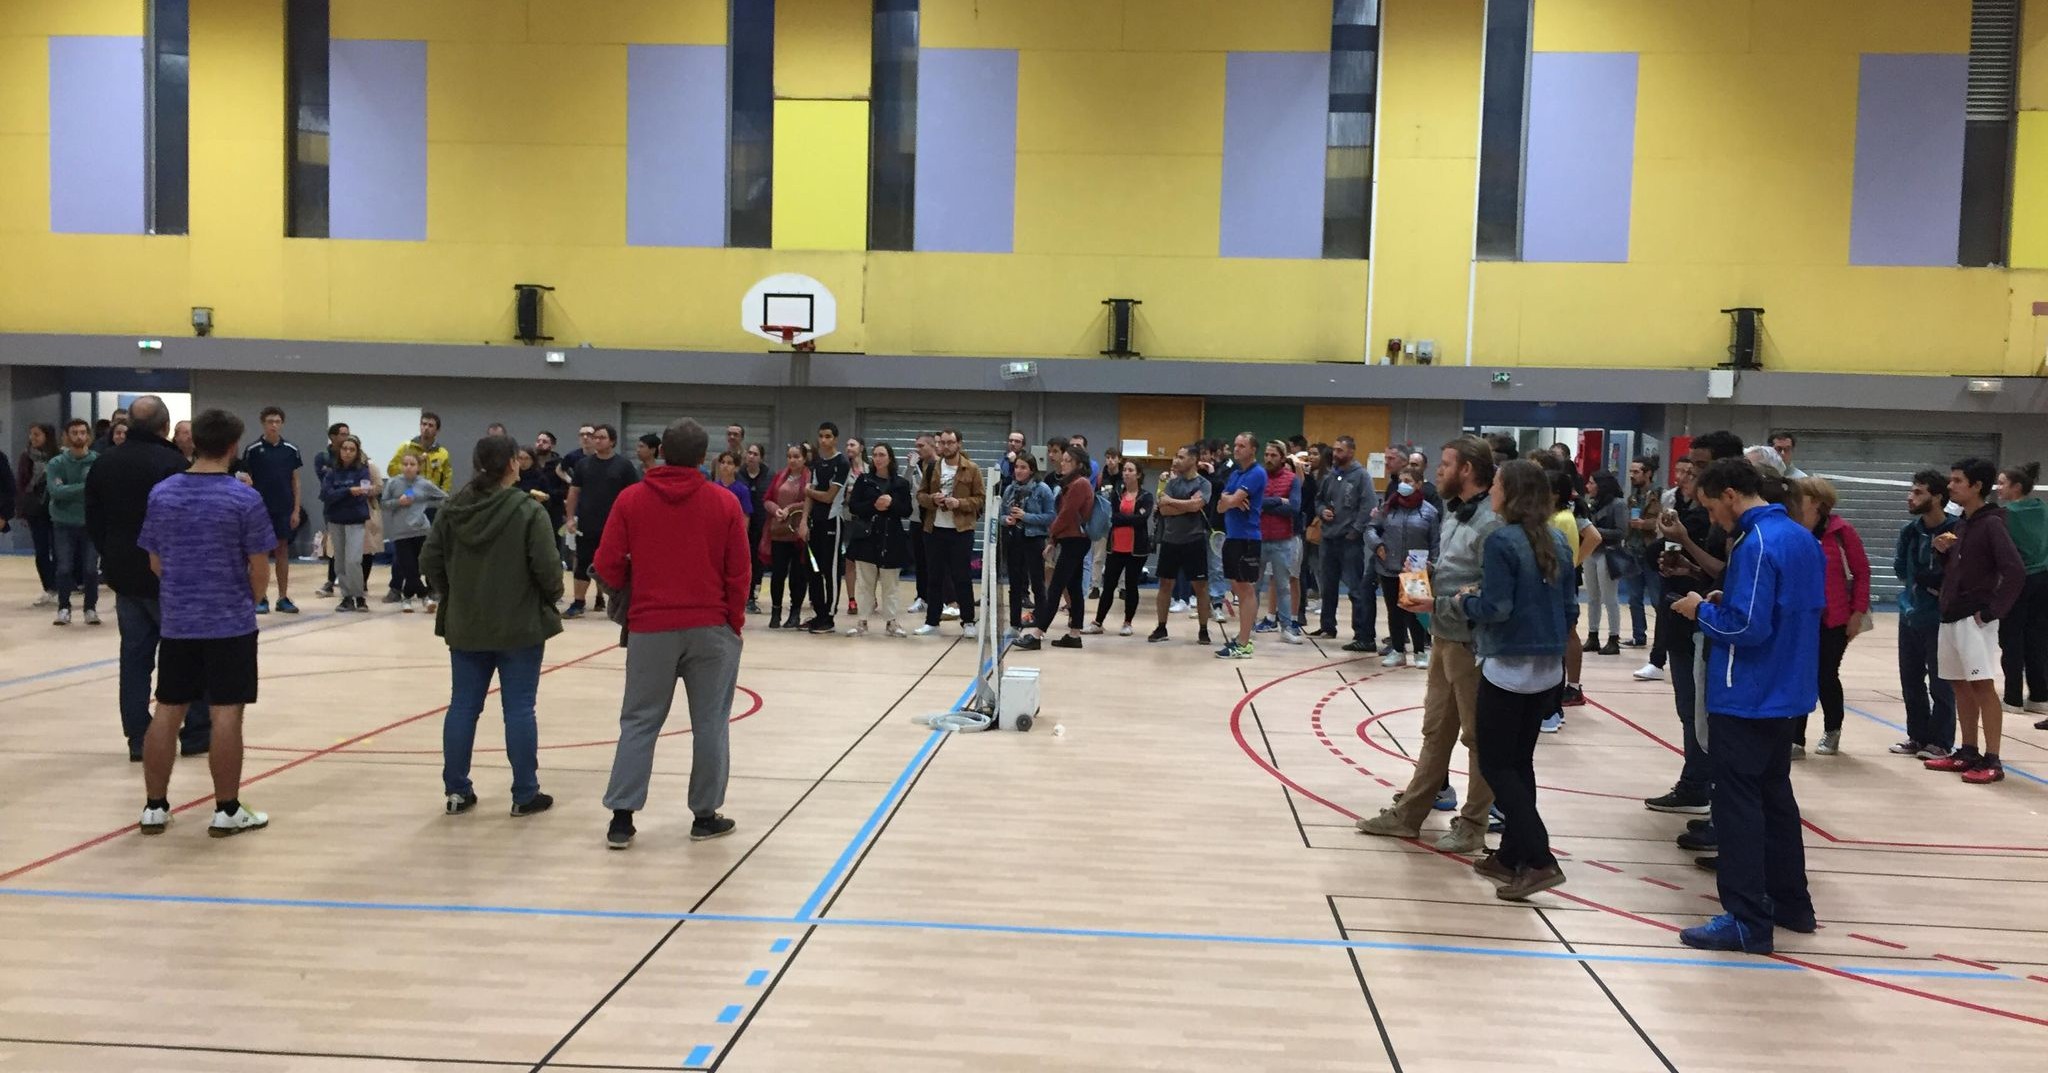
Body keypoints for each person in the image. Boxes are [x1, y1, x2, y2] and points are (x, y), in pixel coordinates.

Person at [1671, 457, 1823, 954]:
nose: (1712, 518)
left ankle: (1746, 920)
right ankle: (1791, 904)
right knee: (1776, 800)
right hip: (1786, 691)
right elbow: (1782, 610)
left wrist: (1701, 609)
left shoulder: (1755, 542)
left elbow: (1746, 627)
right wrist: (1728, 597)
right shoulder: (1800, 536)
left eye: (1712, 507)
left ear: (1731, 495)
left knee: (1737, 808)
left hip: (1748, 694)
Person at [598, 419, 749, 850]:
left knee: (639, 721)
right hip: (711, 628)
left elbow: (606, 564)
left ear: (661, 451)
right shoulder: (723, 503)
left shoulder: (631, 499)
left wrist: (632, 588)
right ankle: (705, 816)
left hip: (650, 628)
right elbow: (739, 572)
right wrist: (733, 623)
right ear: (704, 458)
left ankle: (622, 819)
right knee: (711, 724)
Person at [134, 408, 278, 839]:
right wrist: (245, 601)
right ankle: (226, 810)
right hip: (229, 624)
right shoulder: (244, 499)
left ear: (193, 442)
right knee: (226, 713)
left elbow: (155, 561)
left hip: (178, 622)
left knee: (167, 710)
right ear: (233, 446)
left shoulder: (162, 494)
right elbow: (260, 569)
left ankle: (154, 807)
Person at [1355, 436, 1501, 853]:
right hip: (1443, 636)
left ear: (1467, 469)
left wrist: (1439, 600)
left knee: (1477, 738)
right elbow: (1456, 569)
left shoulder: (1491, 523)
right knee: (1435, 730)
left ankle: (1473, 824)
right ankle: (1409, 816)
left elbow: (1490, 589)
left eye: (1446, 463)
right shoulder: (1456, 513)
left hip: (1471, 643)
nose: (1438, 470)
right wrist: (1426, 572)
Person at [421, 433, 563, 818]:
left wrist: (453, 593)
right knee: (519, 709)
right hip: (520, 625)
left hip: (466, 624)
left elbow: (429, 560)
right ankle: (525, 793)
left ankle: (456, 791)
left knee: (463, 707)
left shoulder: (452, 509)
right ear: (513, 464)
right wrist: (549, 596)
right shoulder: (528, 511)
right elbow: (549, 570)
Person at [1460, 460, 1576, 900]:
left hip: (1509, 669)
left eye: (1495, 484)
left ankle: (1541, 860)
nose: (1490, 490)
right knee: (1519, 762)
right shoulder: (1557, 540)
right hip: (1547, 670)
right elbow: (1569, 609)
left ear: (1509, 492)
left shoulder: (1502, 540)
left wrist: (1465, 602)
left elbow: (1497, 608)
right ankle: (1511, 856)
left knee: (1495, 764)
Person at [84, 397, 211, 761]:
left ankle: (139, 738)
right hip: (170, 575)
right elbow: (189, 522)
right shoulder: (174, 465)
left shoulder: (104, 462)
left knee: (134, 659)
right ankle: (196, 732)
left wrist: (112, 555)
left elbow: (94, 520)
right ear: (165, 427)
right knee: (189, 653)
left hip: (124, 575)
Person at [1923, 458, 2028, 783]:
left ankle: (1993, 759)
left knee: (1982, 686)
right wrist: (1942, 552)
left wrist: (1993, 610)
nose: (1950, 486)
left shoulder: (1992, 524)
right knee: (1959, 684)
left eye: (1957, 481)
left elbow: (2015, 570)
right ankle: (1967, 751)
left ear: (1977, 486)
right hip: (1951, 615)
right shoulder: (1962, 525)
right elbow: (1962, 569)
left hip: (1975, 618)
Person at [1793, 478, 1869, 755]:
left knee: (1825, 674)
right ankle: (1796, 738)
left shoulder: (1841, 531)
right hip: (1801, 617)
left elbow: (1862, 572)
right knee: (1799, 674)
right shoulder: (1793, 529)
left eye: (1800, 496)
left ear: (1816, 501)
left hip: (1834, 617)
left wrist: (1857, 612)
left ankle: (1832, 729)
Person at [1893, 470, 1958, 758]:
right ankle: (1917, 736)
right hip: (1910, 613)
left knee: (1941, 682)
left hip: (1939, 618)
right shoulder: (1910, 531)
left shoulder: (1956, 530)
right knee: (1911, 679)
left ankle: (1941, 741)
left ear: (1938, 497)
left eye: (1919, 492)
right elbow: (1900, 568)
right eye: (1912, 491)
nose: (1911, 497)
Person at [1014, 445, 1094, 651]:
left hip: (1075, 540)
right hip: (1071, 539)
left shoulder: (1080, 483)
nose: (1062, 463)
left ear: (1078, 464)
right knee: (1073, 587)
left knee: (1056, 586)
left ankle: (1037, 634)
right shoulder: (1072, 483)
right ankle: (1074, 634)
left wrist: (1051, 537)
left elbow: (1067, 514)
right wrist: (1055, 540)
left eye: (1068, 460)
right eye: (1063, 459)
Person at [563, 424, 638, 618]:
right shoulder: (583, 465)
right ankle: (578, 603)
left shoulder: (624, 466)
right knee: (583, 562)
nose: (596, 440)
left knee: (614, 565)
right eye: (595, 437)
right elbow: (574, 492)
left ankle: (615, 602)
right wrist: (570, 518)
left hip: (614, 527)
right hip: (587, 524)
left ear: (612, 441)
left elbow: (634, 495)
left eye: (602, 437)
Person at [914, 428, 984, 638]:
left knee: (962, 577)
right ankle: (932, 621)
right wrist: (932, 499)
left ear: (959, 444)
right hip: (934, 529)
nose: (945, 446)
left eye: (950, 442)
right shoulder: (932, 467)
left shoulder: (971, 468)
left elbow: (980, 499)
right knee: (934, 577)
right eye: (942, 442)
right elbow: (920, 495)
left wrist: (959, 503)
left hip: (961, 530)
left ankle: (968, 620)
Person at [1993, 462, 2048, 719]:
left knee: (2011, 639)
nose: (1998, 488)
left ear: (2016, 487)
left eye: (2002, 483)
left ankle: (2012, 698)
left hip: (2019, 581)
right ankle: (2039, 696)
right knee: (2037, 639)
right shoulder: (2043, 509)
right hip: (2044, 581)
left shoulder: (2005, 515)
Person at [1314, 436, 1380, 650]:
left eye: (1340, 450)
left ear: (1351, 452)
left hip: (1349, 540)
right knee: (1328, 585)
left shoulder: (1361, 476)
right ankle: (1327, 626)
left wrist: (1356, 530)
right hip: (1329, 538)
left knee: (1355, 588)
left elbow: (1368, 505)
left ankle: (1361, 633)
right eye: (1334, 450)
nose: (1335, 454)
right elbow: (1319, 499)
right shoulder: (1330, 476)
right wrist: (1321, 511)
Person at [237, 406, 303, 614]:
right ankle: (260, 597)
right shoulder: (253, 449)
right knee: (260, 553)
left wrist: (296, 510)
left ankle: (283, 598)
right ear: (263, 424)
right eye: (270, 421)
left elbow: (295, 481)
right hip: (259, 509)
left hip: (283, 508)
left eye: (277, 421)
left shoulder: (291, 450)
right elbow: (245, 480)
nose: (273, 425)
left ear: (282, 423)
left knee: (282, 551)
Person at [1372, 463, 1438, 668]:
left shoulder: (1429, 512)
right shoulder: (1388, 507)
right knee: (1394, 611)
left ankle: (1420, 652)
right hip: (1389, 566)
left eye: (1408, 481)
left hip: (1416, 569)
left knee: (1415, 612)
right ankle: (1398, 650)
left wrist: (1432, 564)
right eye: (1401, 481)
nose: (1403, 485)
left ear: (1418, 484)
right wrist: (1377, 544)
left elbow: (1435, 542)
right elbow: (1371, 529)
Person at [383, 412, 454, 604]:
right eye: (424, 424)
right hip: (407, 505)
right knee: (402, 552)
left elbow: (447, 476)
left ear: (437, 430)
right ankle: (396, 588)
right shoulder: (406, 447)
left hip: (429, 505)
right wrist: (412, 466)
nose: (426, 428)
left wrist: (440, 497)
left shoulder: (442, 453)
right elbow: (391, 469)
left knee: (429, 551)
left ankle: (432, 588)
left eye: (431, 425)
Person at [846, 442, 914, 637]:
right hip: (867, 538)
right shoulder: (864, 480)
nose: (878, 458)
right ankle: (862, 621)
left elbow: (907, 510)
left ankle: (891, 622)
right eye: (875, 455)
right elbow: (854, 506)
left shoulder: (901, 483)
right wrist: (874, 505)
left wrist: (892, 504)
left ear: (890, 458)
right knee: (865, 583)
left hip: (891, 539)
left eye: (882, 454)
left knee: (890, 584)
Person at [1150, 445, 1214, 646]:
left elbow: (1197, 505)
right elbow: (1164, 510)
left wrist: (1173, 502)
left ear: (1193, 460)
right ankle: (1161, 627)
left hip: (1194, 541)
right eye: (1176, 456)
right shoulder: (1171, 483)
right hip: (1170, 540)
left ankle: (1203, 630)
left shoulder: (1204, 484)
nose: (1176, 460)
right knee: (1165, 585)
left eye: (1181, 457)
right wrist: (1186, 505)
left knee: (1200, 587)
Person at [44, 419, 101, 626]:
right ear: (66, 436)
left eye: (83, 432)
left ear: (89, 436)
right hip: (63, 522)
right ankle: (64, 608)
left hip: (91, 523)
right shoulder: (56, 463)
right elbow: (56, 492)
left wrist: (70, 489)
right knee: (64, 568)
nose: (79, 436)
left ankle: (90, 608)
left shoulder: (98, 461)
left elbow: (100, 490)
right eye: (74, 432)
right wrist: (86, 487)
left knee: (91, 569)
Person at [1089, 458, 1153, 636]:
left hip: (1136, 549)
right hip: (1116, 547)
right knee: (1108, 585)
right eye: (1125, 470)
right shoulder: (1116, 494)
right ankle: (1098, 622)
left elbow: (1141, 519)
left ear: (1138, 474)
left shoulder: (1146, 497)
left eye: (1130, 470)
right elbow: (1112, 517)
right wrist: (1128, 518)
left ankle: (1127, 622)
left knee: (1131, 586)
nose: (1126, 473)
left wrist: (1122, 518)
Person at [1250, 442, 1304, 645]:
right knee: (1253, 586)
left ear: (1282, 458)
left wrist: (1267, 504)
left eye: (1273, 455)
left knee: (1283, 586)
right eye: (1266, 454)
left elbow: (1294, 508)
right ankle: (1248, 626)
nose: (1269, 458)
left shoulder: (1292, 479)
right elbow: (1253, 504)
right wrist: (1279, 500)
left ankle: (1287, 628)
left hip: (1283, 541)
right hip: (1258, 539)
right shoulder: (1258, 477)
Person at [316, 435, 376, 613]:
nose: (348, 452)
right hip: (336, 520)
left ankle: (359, 596)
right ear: (339, 451)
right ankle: (346, 597)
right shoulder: (332, 472)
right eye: (344, 449)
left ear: (357, 452)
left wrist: (340, 494)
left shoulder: (362, 471)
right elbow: (326, 495)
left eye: (352, 449)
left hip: (355, 519)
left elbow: (362, 495)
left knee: (353, 560)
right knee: (340, 561)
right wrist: (349, 491)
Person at [381, 452, 447, 612]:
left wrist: (427, 503)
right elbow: (383, 504)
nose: (408, 467)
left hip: (421, 531)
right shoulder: (393, 483)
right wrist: (398, 502)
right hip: (401, 532)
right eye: (405, 464)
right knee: (408, 567)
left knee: (417, 567)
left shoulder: (424, 484)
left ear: (418, 467)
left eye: (412, 464)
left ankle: (407, 597)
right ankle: (425, 596)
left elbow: (444, 497)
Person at [761, 445, 814, 629]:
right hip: (779, 532)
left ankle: (795, 613)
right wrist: (776, 510)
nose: (792, 460)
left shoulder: (810, 478)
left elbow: (810, 501)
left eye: (797, 456)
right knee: (777, 574)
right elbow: (767, 499)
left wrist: (790, 508)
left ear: (804, 459)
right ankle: (775, 612)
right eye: (790, 456)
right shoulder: (779, 476)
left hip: (798, 533)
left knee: (798, 576)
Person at [1002, 453, 1054, 632]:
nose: (1019, 471)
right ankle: (1014, 623)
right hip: (1013, 539)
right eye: (1017, 467)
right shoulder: (1009, 489)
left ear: (1032, 470)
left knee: (1037, 583)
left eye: (1023, 467)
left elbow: (1050, 516)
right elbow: (1000, 514)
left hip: (1034, 539)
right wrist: (1006, 520)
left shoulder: (1042, 489)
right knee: (1015, 584)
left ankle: (1041, 623)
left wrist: (1026, 517)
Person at [1624, 456, 1666, 677]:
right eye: (1631, 472)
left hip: (1650, 551)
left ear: (1648, 473)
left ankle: (1663, 640)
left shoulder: (1660, 495)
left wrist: (1645, 524)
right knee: (1634, 597)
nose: (1632, 475)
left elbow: (1662, 521)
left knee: (1658, 599)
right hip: (1633, 549)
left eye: (1636, 472)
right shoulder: (1632, 497)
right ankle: (1638, 635)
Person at [1581, 470, 1628, 656]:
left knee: (1610, 598)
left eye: (1592, 483)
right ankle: (1592, 635)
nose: (1588, 486)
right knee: (1592, 597)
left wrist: (1593, 530)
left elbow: (1621, 532)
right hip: (1591, 552)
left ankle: (1613, 638)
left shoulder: (1618, 504)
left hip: (1608, 553)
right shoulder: (1592, 503)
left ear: (1602, 485)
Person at [313, 422, 351, 598]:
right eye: (343, 434)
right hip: (333, 505)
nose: (346, 438)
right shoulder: (322, 457)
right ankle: (331, 580)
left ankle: (353, 582)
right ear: (333, 437)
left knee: (353, 545)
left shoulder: (353, 456)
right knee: (335, 545)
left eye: (348, 434)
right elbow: (327, 483)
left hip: (352, 506)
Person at [739, 443, 773, 613]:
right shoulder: (739, 474)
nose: (751, 456)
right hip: (742, 523)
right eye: (749, 453)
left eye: (755, 454)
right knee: (742, 559)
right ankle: (741, 594)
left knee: (757, 559)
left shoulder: (769, 475)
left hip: (761, 523)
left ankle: (752, 594)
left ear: (761, 458)